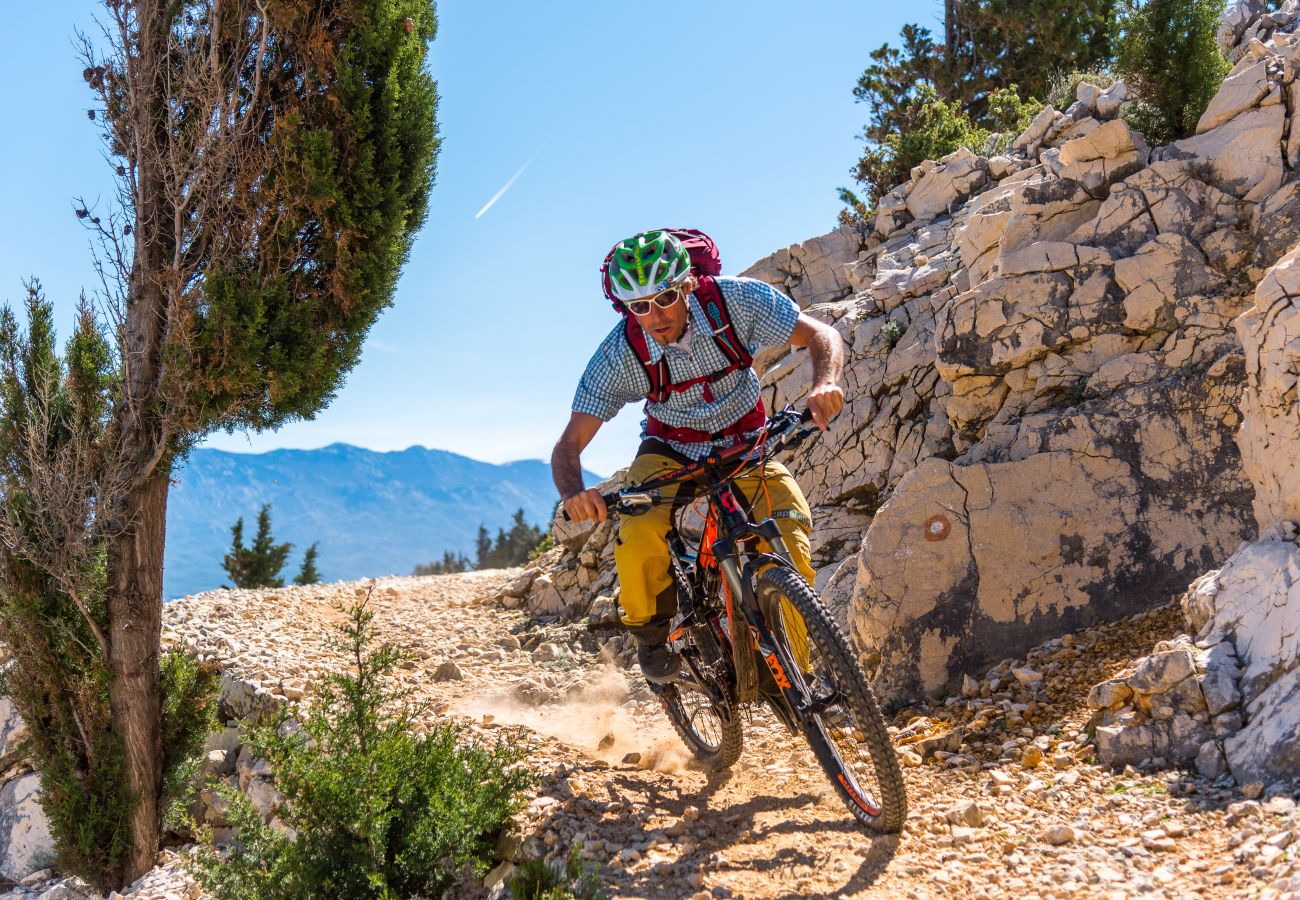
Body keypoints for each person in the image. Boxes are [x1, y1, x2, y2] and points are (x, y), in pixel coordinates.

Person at [552, 230, 845, 683]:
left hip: (745, 443)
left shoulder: (735, 302)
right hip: (671, 449)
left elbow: (820, 334)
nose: (655, 316)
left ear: (687, 283)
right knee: (640, 527)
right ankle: (651, 640)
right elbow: (568, 445)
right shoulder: (621, 353)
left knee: (789, 535)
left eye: (665, 297)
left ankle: (792, 676)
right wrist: (574, 493)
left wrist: (824, 382)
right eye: (639, 307)